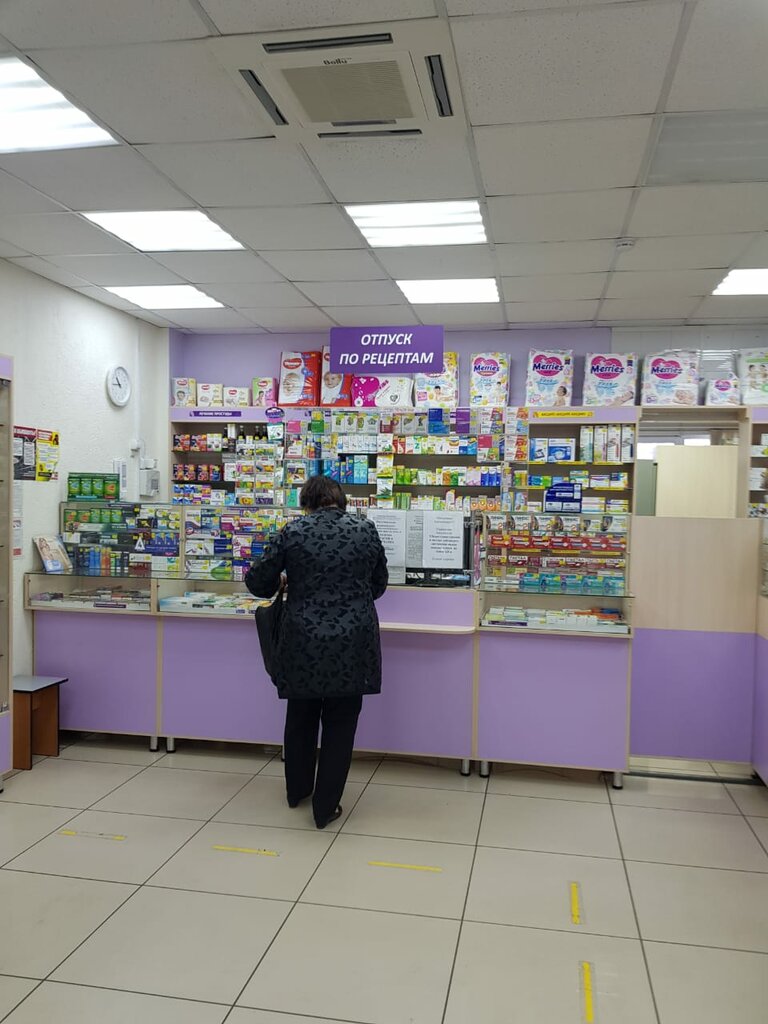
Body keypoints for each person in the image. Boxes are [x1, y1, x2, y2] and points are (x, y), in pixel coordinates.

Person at [245, 475, 388, 829]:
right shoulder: (365, 530)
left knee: (300, 716)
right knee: (341, 724)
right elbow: (378, 585)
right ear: (342, 501)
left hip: (303, 640)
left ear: (306, 503)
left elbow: (257, 581)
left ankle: (297, 791)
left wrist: (283, 581)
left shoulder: (293, 531)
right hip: (352, 641)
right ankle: (325, 808)